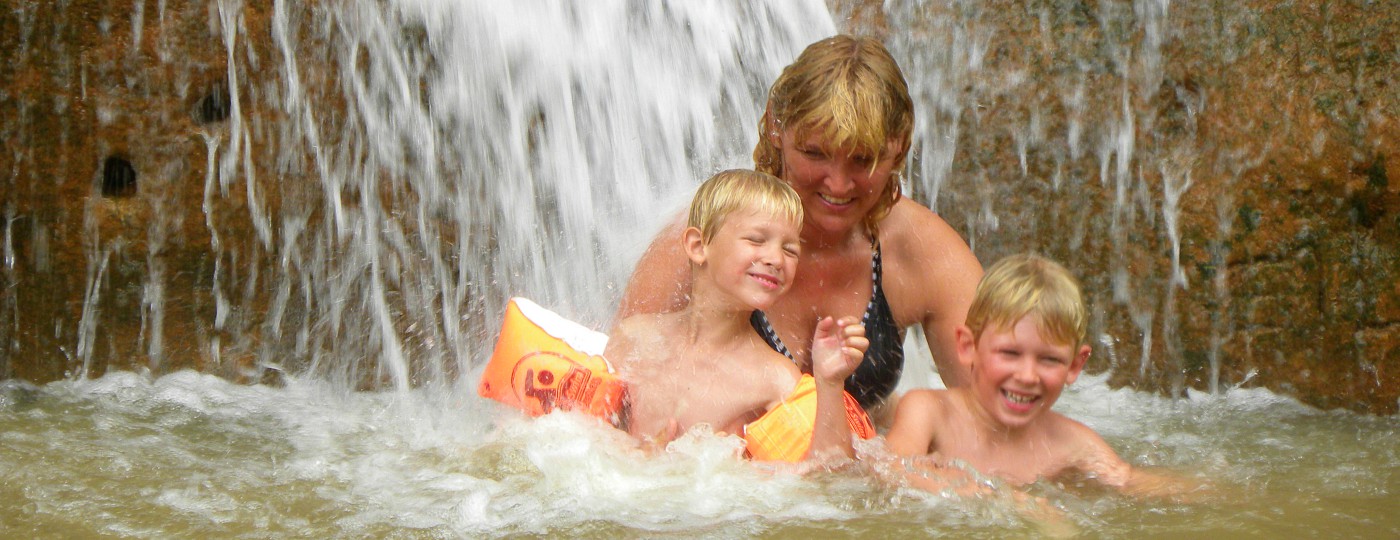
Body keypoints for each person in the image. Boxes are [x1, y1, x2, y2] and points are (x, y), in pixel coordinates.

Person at [615, 35, 982, 421]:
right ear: (777, 126)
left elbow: (993, 424)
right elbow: (610, 407)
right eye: (814, 153)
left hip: (856, 469)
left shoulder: (923, 252)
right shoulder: (708, 235)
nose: (838, 185)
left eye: (863, 160)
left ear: (900, 147)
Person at [605, 169, 870, 460]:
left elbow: (826, 481)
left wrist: (830, 383)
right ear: (697, 246)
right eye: (756, 240)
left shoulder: (773, 379)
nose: (776, 259)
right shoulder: (634, 340)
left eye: (790, 250)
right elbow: (585, 437)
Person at [885, 254, 1200, 497]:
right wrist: (1000, 499)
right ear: (968, 346)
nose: (1027, 375)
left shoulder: (1072, 444)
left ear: (1074, 366)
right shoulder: (929, 411)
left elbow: (1129, 481)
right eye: (1010, 353)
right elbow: (891, 471)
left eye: (1049, 360)